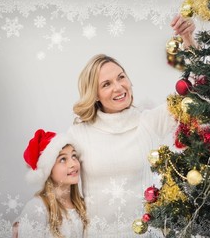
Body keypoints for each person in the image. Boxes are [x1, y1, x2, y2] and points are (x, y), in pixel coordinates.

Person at [67, 15, 196, 237]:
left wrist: (188, 39)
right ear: (94, 94)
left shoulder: (148, 121)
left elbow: (194, 92)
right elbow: (58, 191)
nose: (118, 87)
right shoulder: (79, 134)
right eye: (106, 84)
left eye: (121, 77)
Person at [12, 129, 88, 238]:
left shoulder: (80, 205)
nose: (73, 163)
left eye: (74, 156)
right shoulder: (37, 208)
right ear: (48, 170)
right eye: (62, 159)